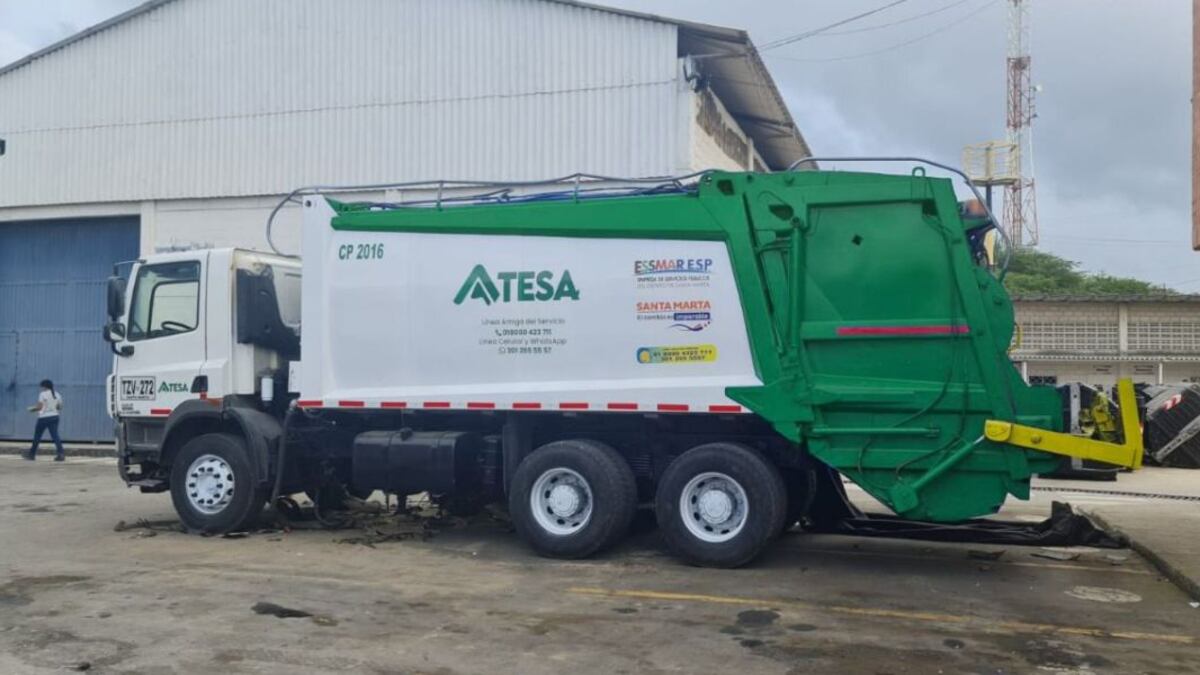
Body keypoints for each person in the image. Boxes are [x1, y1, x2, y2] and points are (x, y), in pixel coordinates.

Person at [24, 379, 65, 462]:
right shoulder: (57, 394)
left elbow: (39, 407)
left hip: (44, 418)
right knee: (55, 436)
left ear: (44, 386)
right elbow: (60, 407)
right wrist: (52, 408)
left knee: (37, 436)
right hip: (55, 417)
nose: (41, 388)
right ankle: (61, 454)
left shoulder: (42, 394)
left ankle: (31, 455)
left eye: (42, 386)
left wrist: (31, 409)